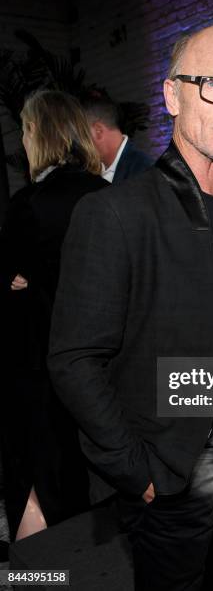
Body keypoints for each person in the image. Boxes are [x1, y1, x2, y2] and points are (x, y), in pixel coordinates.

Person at [48, 23, 213, 590]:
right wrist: (139, 473)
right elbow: (74, 359)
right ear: (171, 94)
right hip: (172, 472)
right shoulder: (114, 214)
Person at [0, 90, 108, 542]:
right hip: (102, 363)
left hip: (39, 365)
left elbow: (11, 273)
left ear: (38, 133)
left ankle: (37, 576)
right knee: (86, 473)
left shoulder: (30, 204)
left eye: (25, 129)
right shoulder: (109, 194)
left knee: (35, 474)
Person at [83, 95, 153, 183]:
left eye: (82, 134)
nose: (79, 142)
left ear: (98, 131)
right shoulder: (90, 174)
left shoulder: (143, 172)